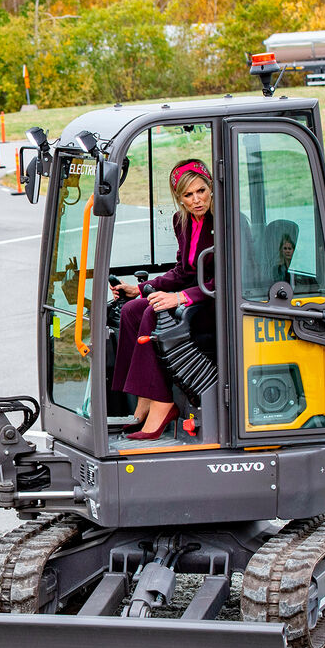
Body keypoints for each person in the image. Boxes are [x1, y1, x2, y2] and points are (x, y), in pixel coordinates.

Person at [109, 159, 215, 440]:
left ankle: (162, 403)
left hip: (216, 300)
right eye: (188, 195)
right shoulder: (183, 221)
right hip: (192, 295)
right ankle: (143, 396)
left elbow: (228, 278)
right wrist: (142, 287)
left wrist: (179, 297)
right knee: (132, 310)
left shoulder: (226, 221)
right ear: (179, 198)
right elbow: (182, 270)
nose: (196, 200)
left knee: (151, 312)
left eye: (201, 191)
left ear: (211, 188)